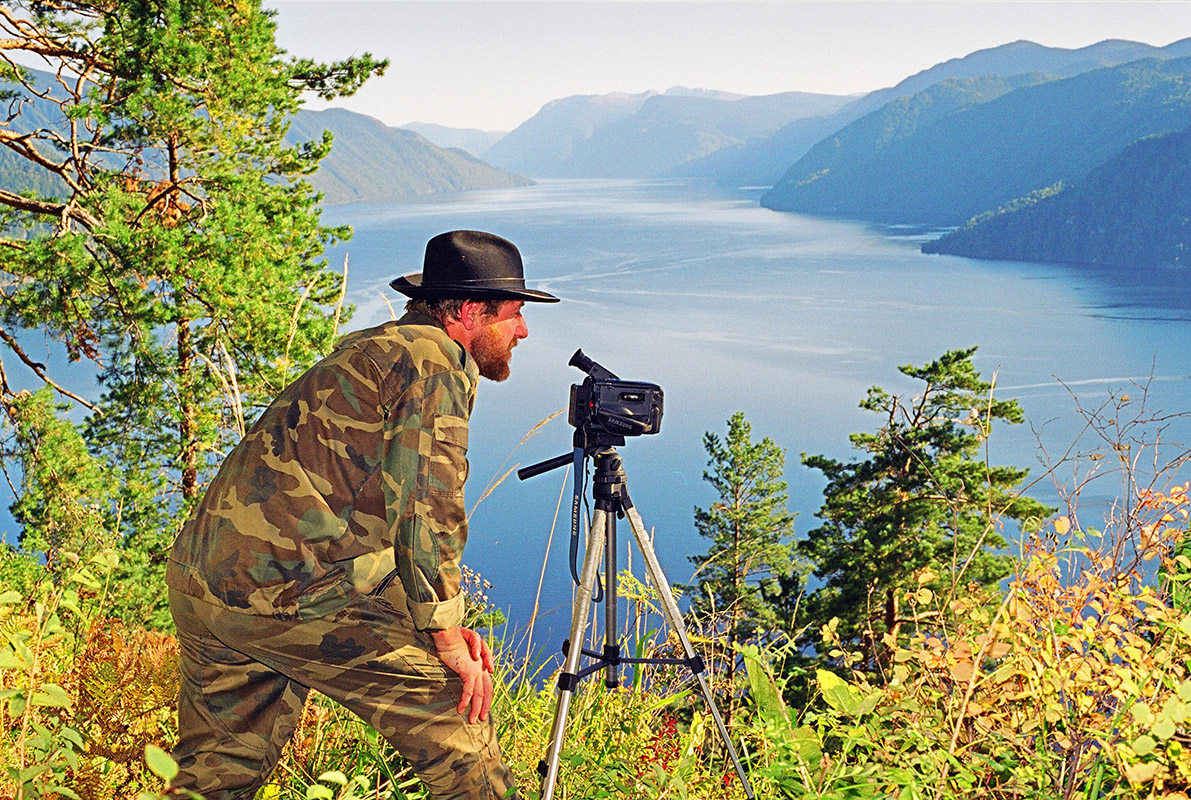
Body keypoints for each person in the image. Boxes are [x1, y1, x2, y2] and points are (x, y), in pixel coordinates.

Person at [166, 230, 559, 800]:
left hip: (207, 579)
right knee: (454, 718)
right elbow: (427, 505)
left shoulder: (382, 348)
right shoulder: (431, 365)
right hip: (279, 592)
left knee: (216, 772)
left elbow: (366, 511)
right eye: (515, 314)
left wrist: (435, 617)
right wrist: (445, 637)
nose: (522, 331)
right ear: (471, 313)